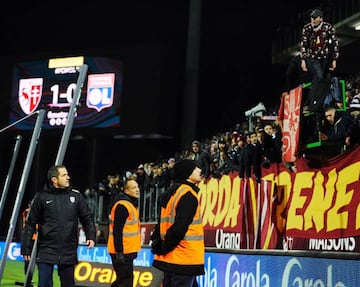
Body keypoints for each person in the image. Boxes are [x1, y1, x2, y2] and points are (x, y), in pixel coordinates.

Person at [21, 165, 96, 287]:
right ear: (54, 180)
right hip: (46, 250)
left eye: (67, 174)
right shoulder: (41, 197)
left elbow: (87, 218)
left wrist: (91, 236)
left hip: (68, 250)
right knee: (44, 283)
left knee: (68, 284)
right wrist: (26, 247)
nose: (68, 177)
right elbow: (30, 224)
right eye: (64, 175)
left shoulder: (76, 197)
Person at [151, 159, 205, 287]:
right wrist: (166, 247)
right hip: (184, 258)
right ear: (188, 173)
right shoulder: (188, 195)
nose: (199, 170)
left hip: (173, 258)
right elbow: (179, 227)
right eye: (195, 168)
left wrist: (162, 246)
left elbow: (162, 224)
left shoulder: (173, 192)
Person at [299, 8, 339, 112]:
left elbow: (335, 43)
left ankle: (320, 102)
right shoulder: (307, 28)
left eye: (315, 18)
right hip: (312, 58)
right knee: (319, 77)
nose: (313, 19)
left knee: (326, 78)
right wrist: (303, 60)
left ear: (320, 18)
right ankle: (313, 103)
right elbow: (304, 44)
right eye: (312, 17)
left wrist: (334, 60)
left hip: (325, 57)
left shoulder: (328, 27)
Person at [107, 177, 141, 287]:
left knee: (123, 280)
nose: (137, 190)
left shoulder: (129, 204)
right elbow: (117, 231)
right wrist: (119, 252)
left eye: (137, 187)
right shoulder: (123, 205)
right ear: (126, 191)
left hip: (126, 251)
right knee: (125, 281)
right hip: (122, 251)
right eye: (134, 188)